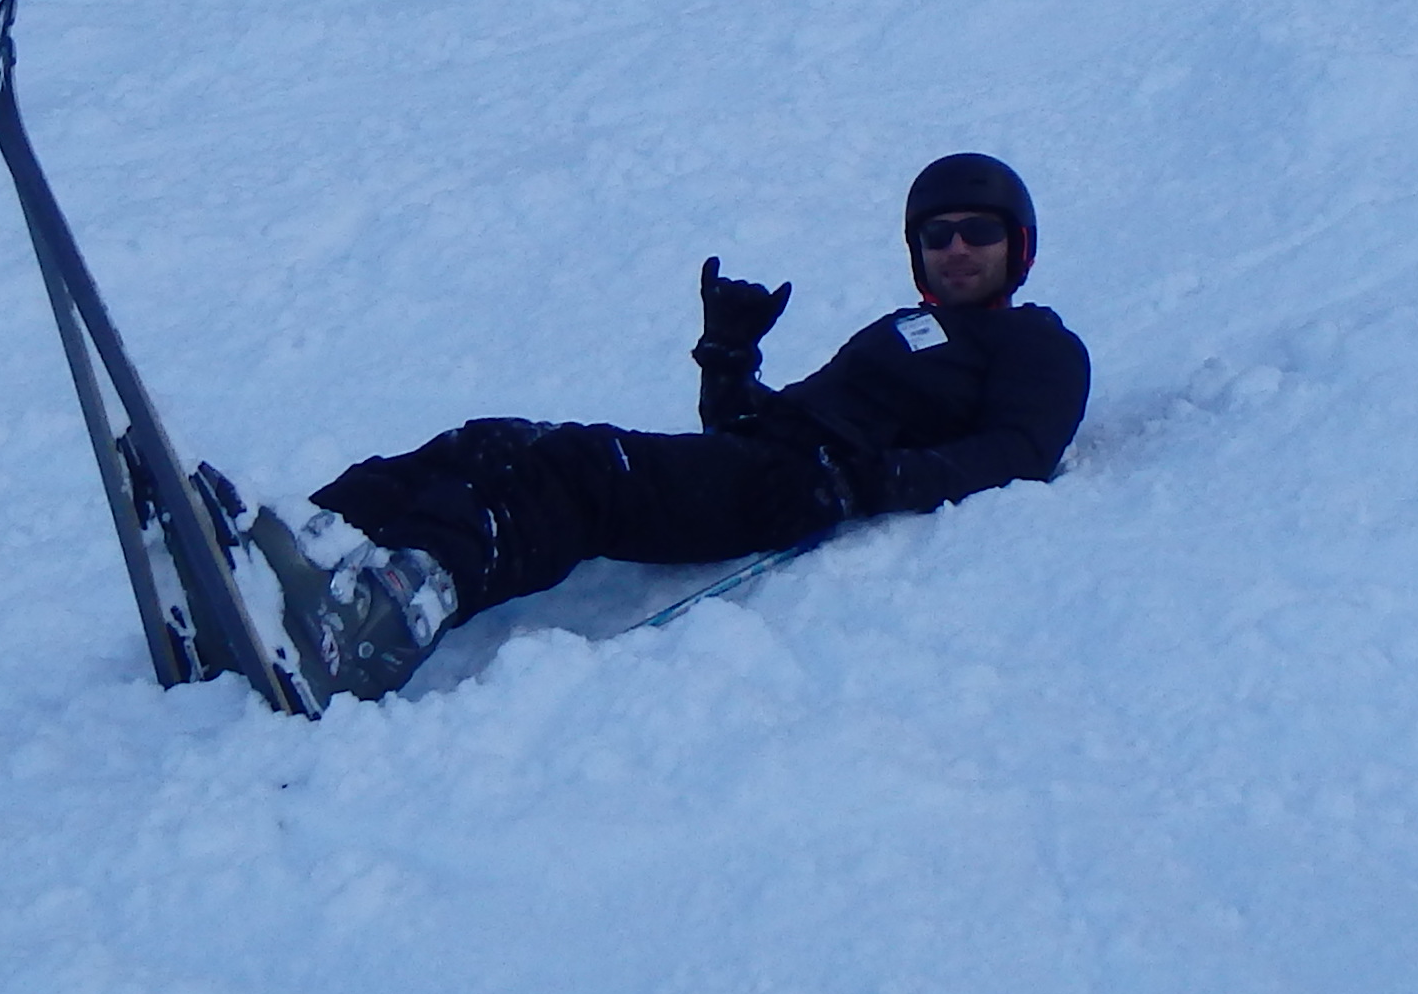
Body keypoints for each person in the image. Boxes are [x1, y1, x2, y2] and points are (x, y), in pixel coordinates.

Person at [238, 151, 1089, 706]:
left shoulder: (1040, 344)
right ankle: (307, 544)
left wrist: (865, 484)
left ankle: (382, 622)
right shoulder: (897, 331)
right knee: (492, 441)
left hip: (800, 489)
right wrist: (729, 358)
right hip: (768, 461)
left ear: (1018, 246)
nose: (957, 248)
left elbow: (1018, 454)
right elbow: (750, 426)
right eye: (938, 235)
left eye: (979, 233)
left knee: (573, 474)